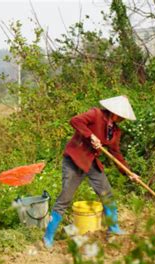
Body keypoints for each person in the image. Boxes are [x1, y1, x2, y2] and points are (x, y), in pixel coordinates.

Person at [43, 95, 140, 249]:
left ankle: (113, 227)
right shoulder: (96, 114)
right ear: (114, 112)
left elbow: (116, 153)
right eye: (121, 116)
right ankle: (48, 236)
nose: (122, 119)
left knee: (106, 193)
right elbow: (75, 120)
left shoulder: (115, 131)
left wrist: (129, 172)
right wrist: (90, 135)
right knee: (65, 198)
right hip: (75, 160)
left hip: (91, 162)